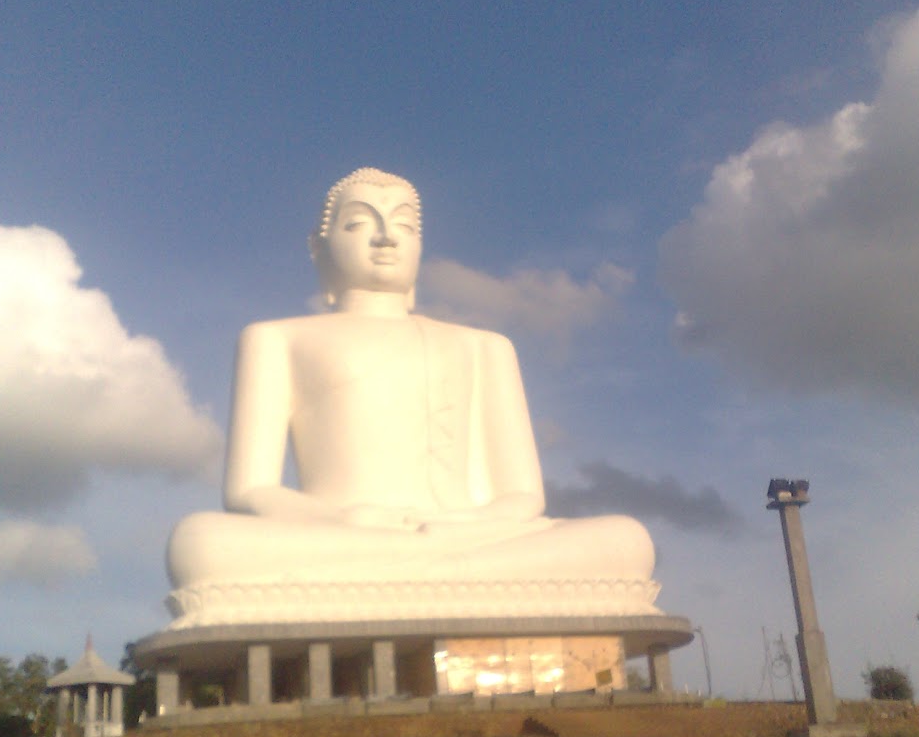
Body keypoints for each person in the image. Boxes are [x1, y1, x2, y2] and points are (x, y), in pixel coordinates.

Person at [165, 168, 656, 619]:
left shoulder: (484, 346)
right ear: (318, 247)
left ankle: (419, 576)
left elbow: (523, 496)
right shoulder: (276, 338)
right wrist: (345, 519)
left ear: (420, 244)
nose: (384, 238)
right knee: (200, 545)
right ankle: (447, 579)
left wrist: (464, 528)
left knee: (627, 540)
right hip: (342, 534)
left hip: (471, 533)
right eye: (358, 225)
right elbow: (250, 490)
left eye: (403, 225)